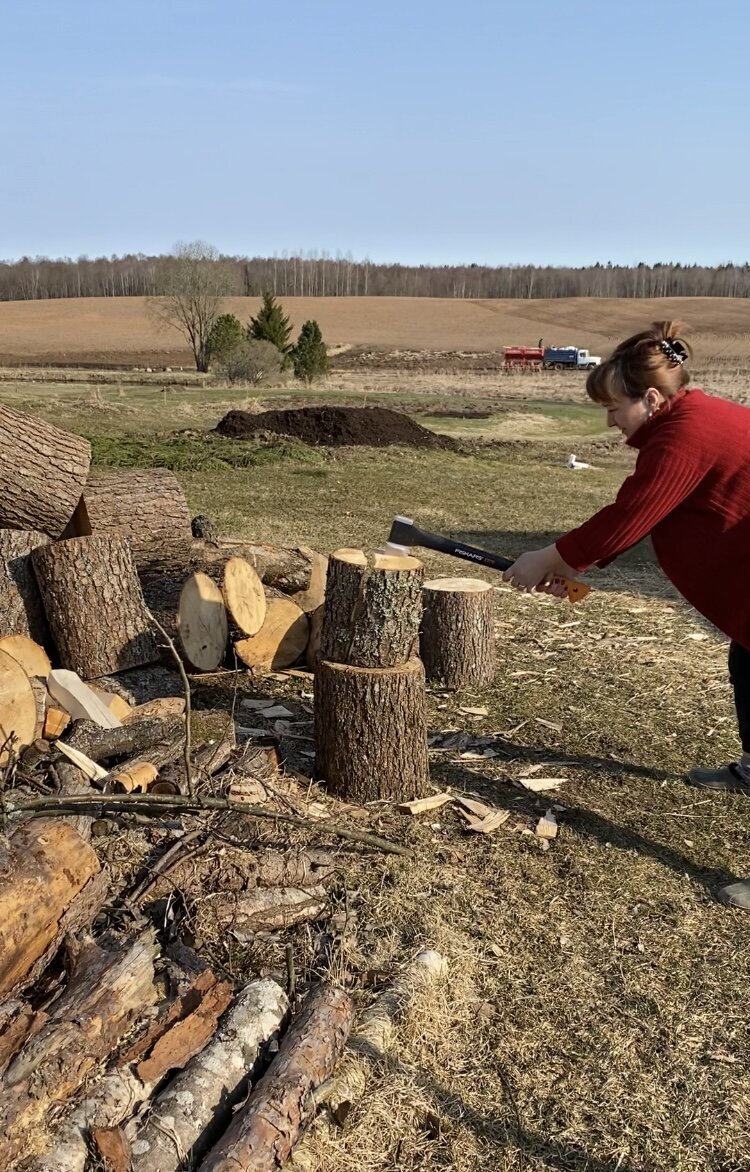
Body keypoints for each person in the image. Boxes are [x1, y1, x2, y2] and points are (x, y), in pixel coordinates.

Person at [503, 321, 750, 909]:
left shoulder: (684, 435)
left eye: (614, 407)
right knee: (748, 666)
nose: (610, 420)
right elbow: (651, 514)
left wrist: (550, 557)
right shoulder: (691, 420)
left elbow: (629, 515)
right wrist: (574, 566)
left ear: (652, 400)